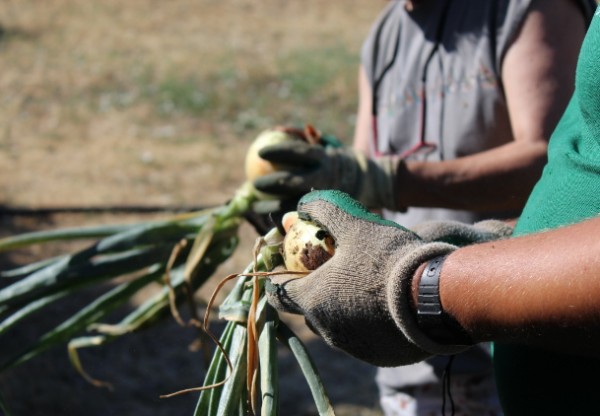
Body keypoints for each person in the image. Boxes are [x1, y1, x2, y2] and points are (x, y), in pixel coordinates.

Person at [252, 0, 595, 414]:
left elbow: (542, 161)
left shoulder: (529, 10)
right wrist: (321, 190)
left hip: (489, 348)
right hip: (407, 355)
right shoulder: (386, 32)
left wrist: (387, 186)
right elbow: (365, 183)